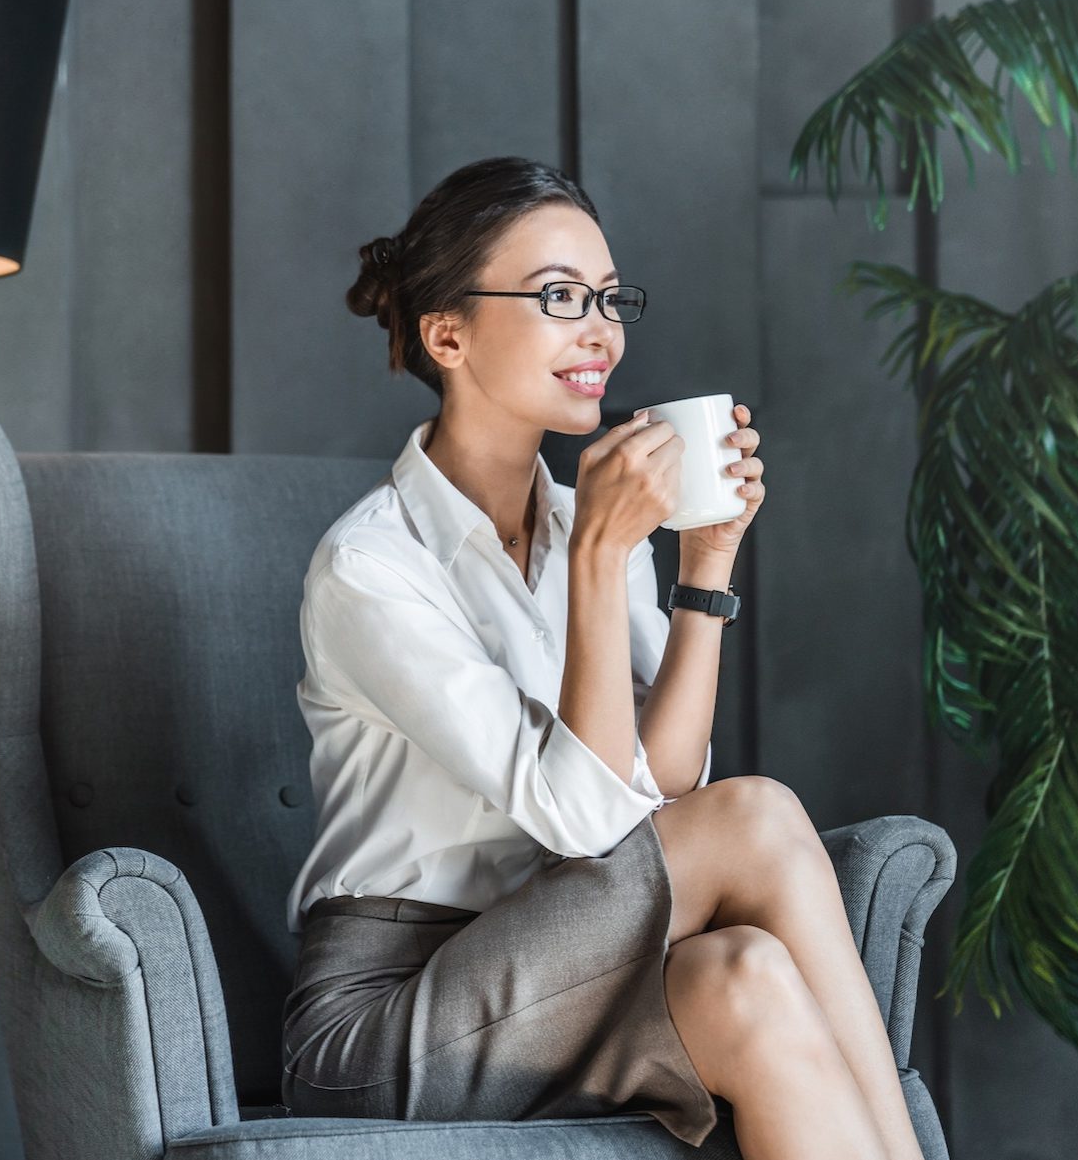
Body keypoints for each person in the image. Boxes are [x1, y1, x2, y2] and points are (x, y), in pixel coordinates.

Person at [279, 156, 924, 1160]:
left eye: (608, 298)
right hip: (388, 1016)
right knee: (753, 816)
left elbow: (660, 787)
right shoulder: (371, 568)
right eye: (557, 298)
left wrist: (703, 568)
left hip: (560, 955)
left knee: (745, 976)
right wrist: (600, 558)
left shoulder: (590, 523)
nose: (602, 331)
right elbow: (587, 819)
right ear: (446, 335)